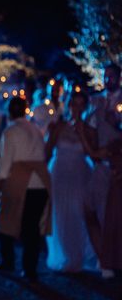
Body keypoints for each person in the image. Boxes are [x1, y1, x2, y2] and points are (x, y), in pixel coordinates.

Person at [0, 97, 50, 281]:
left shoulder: (10, 131)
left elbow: (5, 161)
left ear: (9, 111)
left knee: (7, 220)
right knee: (31, 228)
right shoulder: (35, 129)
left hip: (19, 180)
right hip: (40, 182)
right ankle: (29, 269)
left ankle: (8, 261)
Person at [45, 92, 97, 272]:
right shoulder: (59, 126)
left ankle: (77, 254)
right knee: (59, 213)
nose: (77, 108)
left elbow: (93, 154)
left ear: (85, 107)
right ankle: (63, 254)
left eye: (81, 104)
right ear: (69, 105)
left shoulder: (89, 130)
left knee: (77, 212)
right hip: (59, 171)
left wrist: (82, 132)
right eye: (74, 104)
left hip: (79, 173)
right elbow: (47, 150)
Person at [84, 63, 122, 278]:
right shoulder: (97, 100)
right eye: (105, 77)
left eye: (112, 77)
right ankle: (103, 256)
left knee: (112, 216)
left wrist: (116, 123)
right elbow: (90, 127)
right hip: (99, 164)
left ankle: (109, 262)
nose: (108, 80)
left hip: (116, 165)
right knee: (89, 210)